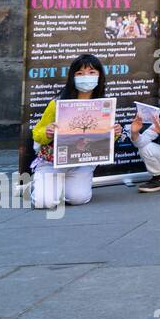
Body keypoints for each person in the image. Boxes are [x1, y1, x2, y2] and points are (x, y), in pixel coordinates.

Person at [29, 55, 124, 209]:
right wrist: (47, 132)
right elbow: (37, 132)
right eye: (80, 73)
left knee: (78, 198)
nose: (86, 77)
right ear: (72, 77)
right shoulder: (57, 104)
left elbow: (101, 142)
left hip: (81, 163)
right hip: (51, 162)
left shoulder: (103, 105)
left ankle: (62, 186)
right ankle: (39, 183)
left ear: (100, 76)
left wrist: (114, 133)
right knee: (44, 202)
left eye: (92, 72)